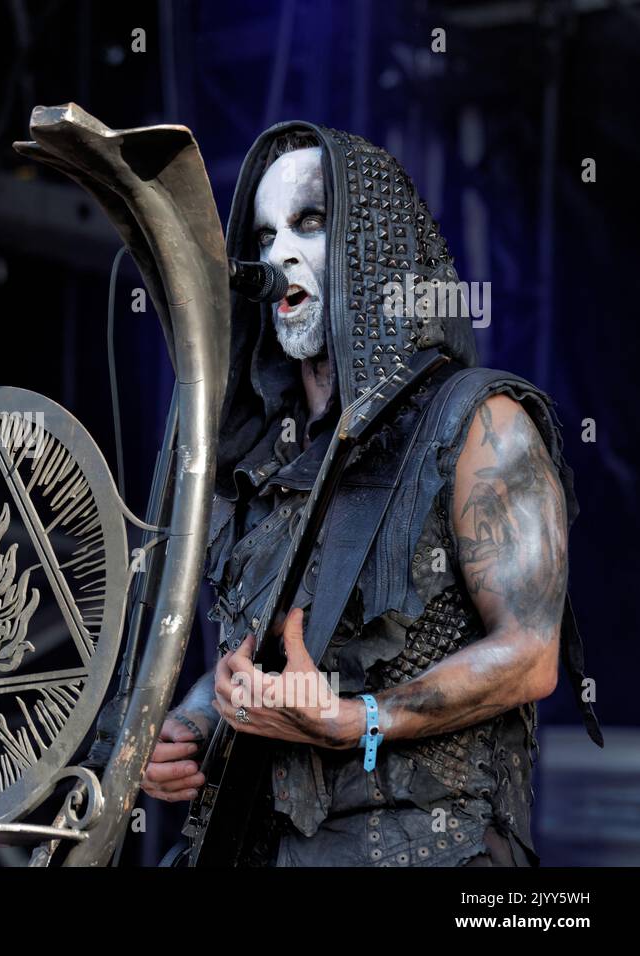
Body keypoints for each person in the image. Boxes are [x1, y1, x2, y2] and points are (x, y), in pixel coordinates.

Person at [140, 124, 601, 866]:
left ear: (375, 244)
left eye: (309, 223)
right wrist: (194, 723)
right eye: (264, 233)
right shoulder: (260, 451)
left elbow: (531, 653)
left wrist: (359, 720)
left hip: (423, 849)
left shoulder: (481, 423)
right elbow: (255, 656)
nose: (276, 252)